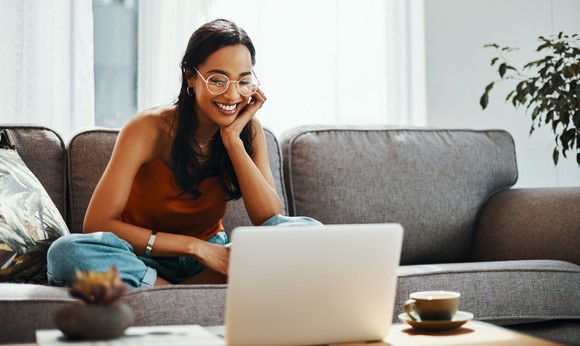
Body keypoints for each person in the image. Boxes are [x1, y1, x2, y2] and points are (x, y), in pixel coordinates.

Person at [47, 19, 321, 288]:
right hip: (142, 257)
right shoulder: (148, 129)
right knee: (65, 252)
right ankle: (167, 292)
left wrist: (232, 141)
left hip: (213, 262)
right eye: (218, 80)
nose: (232, 95)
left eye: (243, 81)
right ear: (190, 76)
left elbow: (269, 216)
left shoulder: (247, 131)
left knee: (308, 232)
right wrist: (194, 247)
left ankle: (164, 291)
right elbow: (97, 223)